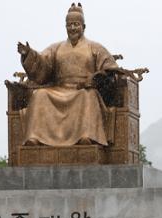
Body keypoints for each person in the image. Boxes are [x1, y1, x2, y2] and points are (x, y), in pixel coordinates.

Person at [16, 3, 120, 147]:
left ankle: (86, 136)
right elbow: (42, 64)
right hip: (59, 89)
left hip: (84, 89)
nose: (72, 28)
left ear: (83, 26)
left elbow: (111, 69)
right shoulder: (56, 48)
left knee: (86, 96)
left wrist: (96, 78)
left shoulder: (95, 47)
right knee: (39, 95)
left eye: (76, 24)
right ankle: (35, 138)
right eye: (69, 25)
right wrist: (29, 54)